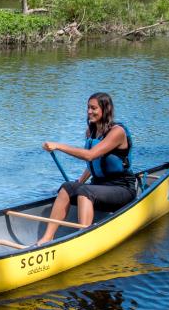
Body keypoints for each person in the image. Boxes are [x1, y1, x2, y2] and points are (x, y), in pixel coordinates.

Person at [36, 92, 136, 246]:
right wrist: (79, 182)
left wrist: (59, 146)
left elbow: (90, 155)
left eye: (93, 108)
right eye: (88, 108)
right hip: (99, 186)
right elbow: (95, 163)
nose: (89, 111)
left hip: (121, 188)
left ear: (106, 109)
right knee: (67, 187)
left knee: (85, 192)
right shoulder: (91, 132)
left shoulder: (117, 132)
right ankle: (47, 238)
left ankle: (83, 240)